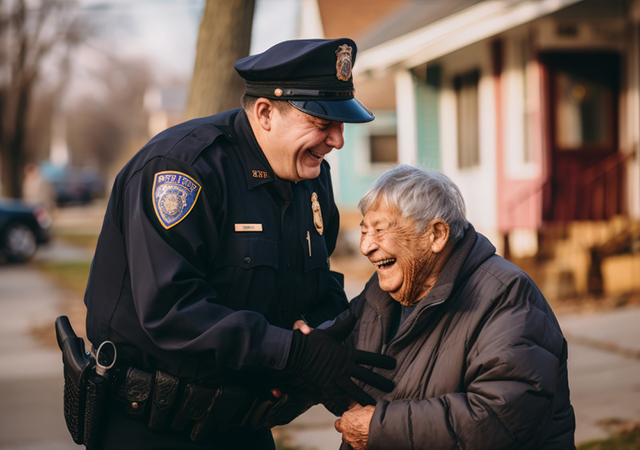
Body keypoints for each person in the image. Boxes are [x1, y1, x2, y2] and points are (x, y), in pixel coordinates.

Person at [82, 38, 395, 450]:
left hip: (244, 423)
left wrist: (320, 336)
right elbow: (171, 309)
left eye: (341, 125)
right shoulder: (182, 170)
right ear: (266, 113)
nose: (337, 141)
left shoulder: (310, 175)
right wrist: (291, 353)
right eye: (323, 124)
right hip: (152, 427)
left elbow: (318, 279)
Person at [332, 165, 575, 450]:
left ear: (436, 235)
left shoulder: (507, 296)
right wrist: (303, 351)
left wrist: (380, 429)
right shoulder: (381, 294)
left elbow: (496, 420)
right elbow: (337, 358)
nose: (365, 246)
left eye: (380, 230)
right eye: (364, 230)